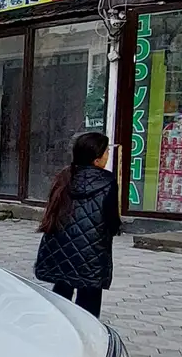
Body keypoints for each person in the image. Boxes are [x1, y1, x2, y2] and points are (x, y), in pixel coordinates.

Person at [35, 132, 119, 319]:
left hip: (60, 245)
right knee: (89, 297)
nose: (108, 156)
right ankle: (86, 337)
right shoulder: (108, 181)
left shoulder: (64, 176)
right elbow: (111, 220)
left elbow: (52, 210)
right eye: (106, 152)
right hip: (92, 249)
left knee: (62, 291)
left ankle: (57, 329)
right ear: (97, 160)